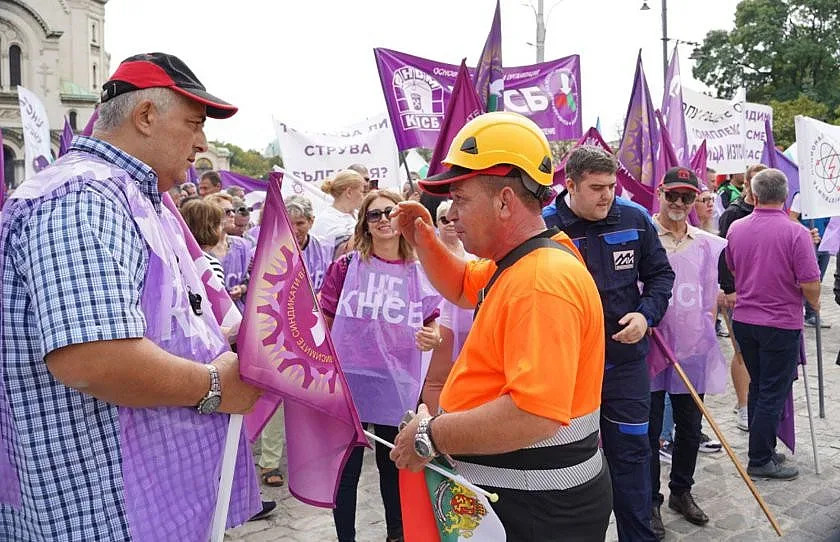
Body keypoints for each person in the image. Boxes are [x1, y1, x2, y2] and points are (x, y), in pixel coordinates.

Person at [0, 52, 265, 541]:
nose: (202, 142)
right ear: (145, 116)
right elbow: (93, 358)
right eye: (193, 123)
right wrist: (213, 386)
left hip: (139, 502)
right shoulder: (82, 197)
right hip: (98, 510)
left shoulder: (138, 196)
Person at [389, 112, 612, 541]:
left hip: (537, 512)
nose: (450, 214)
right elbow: (460, 285)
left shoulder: (540, 281)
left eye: (461, 199)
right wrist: (421, 237)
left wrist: (430, 434)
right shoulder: (519, 262)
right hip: (525, 502)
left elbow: (532, 414)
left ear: (505, 201)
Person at [543, 145, 674, 542]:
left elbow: (661, 275)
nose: (607, 196)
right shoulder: (543, 228)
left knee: (633, 455)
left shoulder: (634, 218)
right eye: (597, 187)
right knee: (570, 464)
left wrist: (646, 315)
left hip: (624, 366)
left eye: (611, 187)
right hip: (567, 373)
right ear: (570, 185)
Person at [319, 189, 442, 542]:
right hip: (350, 379)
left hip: (396, 380)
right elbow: (325, 319)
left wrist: (431, 337)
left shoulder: (418, 271)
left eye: (390, 211)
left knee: (394, 463)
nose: (384, 218)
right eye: (375, 215)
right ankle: (346, 537)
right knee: (347, 469)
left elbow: (431, 319)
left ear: (402, 219)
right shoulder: (345, 266)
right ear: (365, 224)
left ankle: (397, 535)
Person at [647, 167, 729, 538]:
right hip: (650, 347)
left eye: (687, 197)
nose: (679, 203)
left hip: (692, 350)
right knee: (648, 432)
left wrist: (707, 328)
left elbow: (711, 291)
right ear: (661, 193)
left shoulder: (706, 242)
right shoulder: (644, 233)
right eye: (673, 195)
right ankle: (650, 501)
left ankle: (682, 490)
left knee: (691, 429)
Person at [727, 168, 821, 481]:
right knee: (771, 392)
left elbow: (733, 267)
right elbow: (810, 282)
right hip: (780, 322)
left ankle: (762, 447)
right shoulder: (795, 232)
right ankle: (760, 458)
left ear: (753, 195)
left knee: (759, 388)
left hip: (745, 319)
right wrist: (815, 303)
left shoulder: (736, 228)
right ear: (784, 196)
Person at [718, 163, 765, 431]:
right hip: (739, 293)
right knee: (741, 351)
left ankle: (754, 401)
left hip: (763, 294)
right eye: (757, 182)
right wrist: (729, 289)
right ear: (746, 184)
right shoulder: (734, 214)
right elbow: (724, 255)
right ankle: (744, 405)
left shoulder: (771, 210)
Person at [421, 200, 475, 413]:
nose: (451, 224)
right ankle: (433, 423)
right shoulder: (428, 251)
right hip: (441, 319)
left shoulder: (473, 248)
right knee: (437, 378)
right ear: (437, 223)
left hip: (469, 319)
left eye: (455, 219)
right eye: (444, 220)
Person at [788, 192, 831, 328]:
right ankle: (806, 314)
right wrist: (807, 233)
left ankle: (811, 313)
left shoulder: (829, 197)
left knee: (818, 279)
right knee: (808, 279)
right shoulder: (802, 195)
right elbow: (792, 217)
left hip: (825, 241)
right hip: (810, 242)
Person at [205, 193, 251, 313]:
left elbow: (251, 279)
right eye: (227, 211)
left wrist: (241, 288)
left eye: (233, 211)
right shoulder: (200, 249)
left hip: (238, 313)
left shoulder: (242, 246)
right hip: (213, 314)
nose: (232, 215)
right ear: (212, 214)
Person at [311, 169, 365, 252]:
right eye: (361, 192)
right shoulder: (326, 220)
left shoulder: (357, 214)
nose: (363, 196)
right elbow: (345, 251)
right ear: (349, 192)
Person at [181, 198, 226, 282]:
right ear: (211, 228)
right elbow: (216, 295)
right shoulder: (210, 265)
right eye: (220, 224)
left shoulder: (173, 257)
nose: (222, 228)